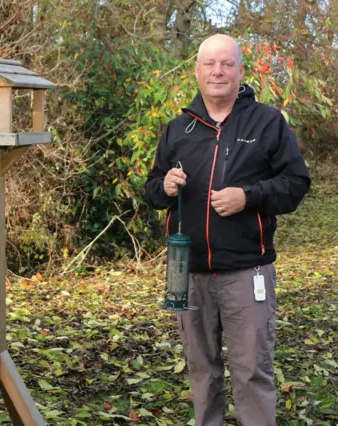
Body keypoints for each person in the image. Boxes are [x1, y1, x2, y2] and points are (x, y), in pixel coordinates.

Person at [144, 34, 310, 426]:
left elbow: (296, 184)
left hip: (246, 272)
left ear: (239, 71)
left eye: (227, 64)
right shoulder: (178, 129)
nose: (217, 71)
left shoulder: (267, 123)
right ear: (197, 71)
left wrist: (247, 196)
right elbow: (153, 189)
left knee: (251, 373)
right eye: (209, 64)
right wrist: (163, 187)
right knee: (202, 374)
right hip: (189, 273)